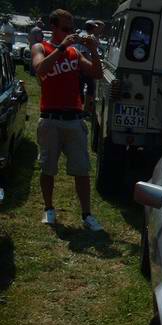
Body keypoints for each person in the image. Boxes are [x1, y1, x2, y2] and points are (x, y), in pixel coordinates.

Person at [31, 9, 104, 231]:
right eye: (65, 29)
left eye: (71, 29)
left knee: (82, 169)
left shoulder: (74, 52)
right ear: (53, 27)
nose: (70, 33)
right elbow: (40, 69)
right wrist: (61, 47)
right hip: (50, 117)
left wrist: (93, 50)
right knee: (48, 168)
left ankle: (87, 214)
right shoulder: (41, 47)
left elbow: (96, 73)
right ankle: (49, 209)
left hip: (73, 118)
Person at [74, 20, 102, 113]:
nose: (96, 29)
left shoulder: (84, 35)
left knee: (83, 88)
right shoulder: (86, 36)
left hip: (80, 66)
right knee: (89, 88)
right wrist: (89, 66)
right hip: (83, 67)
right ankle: (84, 110)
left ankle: (81, 109)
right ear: (92, 28)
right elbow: (83, 53)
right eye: (95, 27)